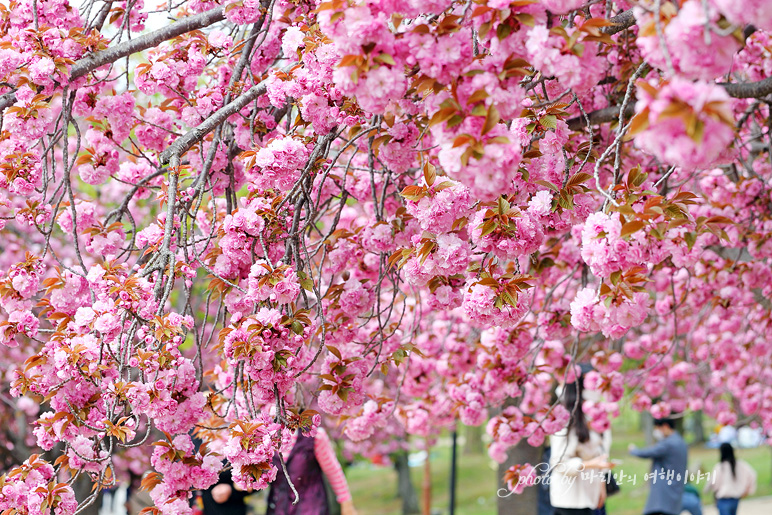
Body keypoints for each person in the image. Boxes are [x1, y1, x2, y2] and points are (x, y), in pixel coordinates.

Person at [549, 374, 613, 515]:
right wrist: (591, 464)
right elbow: (558, 463)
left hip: (591, 496)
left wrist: (601, 486)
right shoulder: (565, 423)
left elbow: (600, 450)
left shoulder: (593, 419)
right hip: (570, 500)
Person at [266, 426, 356, 515]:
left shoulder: (314, 436)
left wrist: (346, 504)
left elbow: (333, 472)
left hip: (311, 508)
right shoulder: (264, 439)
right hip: (277, 509)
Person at [628, 417, 688, 515]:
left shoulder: (669, 443)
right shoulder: (679, 440)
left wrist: (633, 450)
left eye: (657, 428)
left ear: (665, 426)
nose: (656, 431)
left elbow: (649, 452)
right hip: (675, 488)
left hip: (665, 492)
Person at [704, 443, 757, 515]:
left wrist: (706, 490)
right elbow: (752, 475)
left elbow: (712, 482)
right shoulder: (740, 464)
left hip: (723, 499)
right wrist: (746, 491)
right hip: (735, 499)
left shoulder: (720, 467)